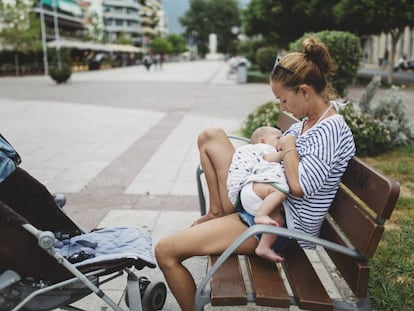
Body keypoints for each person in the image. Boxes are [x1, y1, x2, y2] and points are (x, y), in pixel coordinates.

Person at [155, 37, 356, 311]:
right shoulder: (307, 123)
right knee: (211, 135)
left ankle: (223, 216)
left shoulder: (330, 130)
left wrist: (287, 146)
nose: (282, 108)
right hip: (263, 201)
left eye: (284, 99)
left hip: (277, 226)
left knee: (165, 252)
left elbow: (297, 187)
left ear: (305, 91)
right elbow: (281, 158)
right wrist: (273, 151)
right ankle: (219, 212)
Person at [225, 126, 291, 261]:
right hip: (254, 190)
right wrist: (287, 151)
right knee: (278, 192)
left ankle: (263, 247)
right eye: (278, 138)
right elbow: (269, 158)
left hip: (257, 200)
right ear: (261, 141)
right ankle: (261, 215)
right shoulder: (263, 148)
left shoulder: (264, 146)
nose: (282, 140)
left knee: (277, 221)